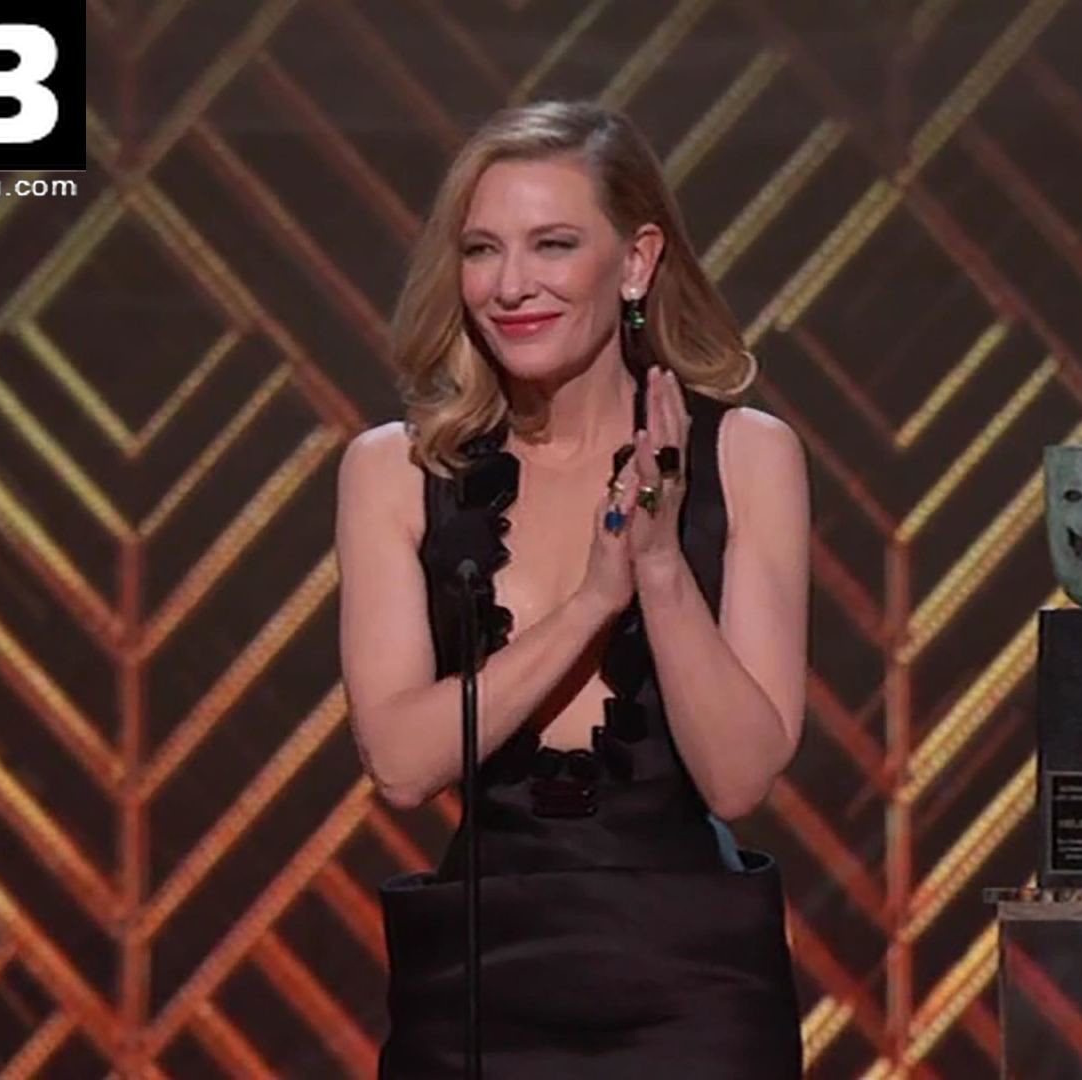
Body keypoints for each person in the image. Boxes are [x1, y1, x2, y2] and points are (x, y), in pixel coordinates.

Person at [332, 99, 811, 1078]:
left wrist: (661, 568)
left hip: (694, 991)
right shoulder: (395, 471)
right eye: (482, 251)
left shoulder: (749, 456)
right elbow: (402, 765)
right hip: (475, 988)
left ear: (636, 261)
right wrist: (594, 599)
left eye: (553, 245)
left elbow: (739, 780)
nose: (511, 285)